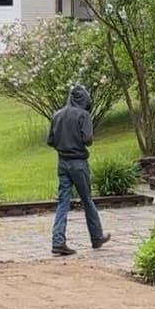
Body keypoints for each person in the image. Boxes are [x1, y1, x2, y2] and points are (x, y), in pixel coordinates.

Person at [47, 82, 111, 257]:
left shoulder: (56, 115)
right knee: (87, 200)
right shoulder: (83, 115)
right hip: (78, 163)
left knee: (63, 202)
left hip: (62, 162)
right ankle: (96, 237)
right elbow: (88, 139)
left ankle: (58, 241)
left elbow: (50, 140)